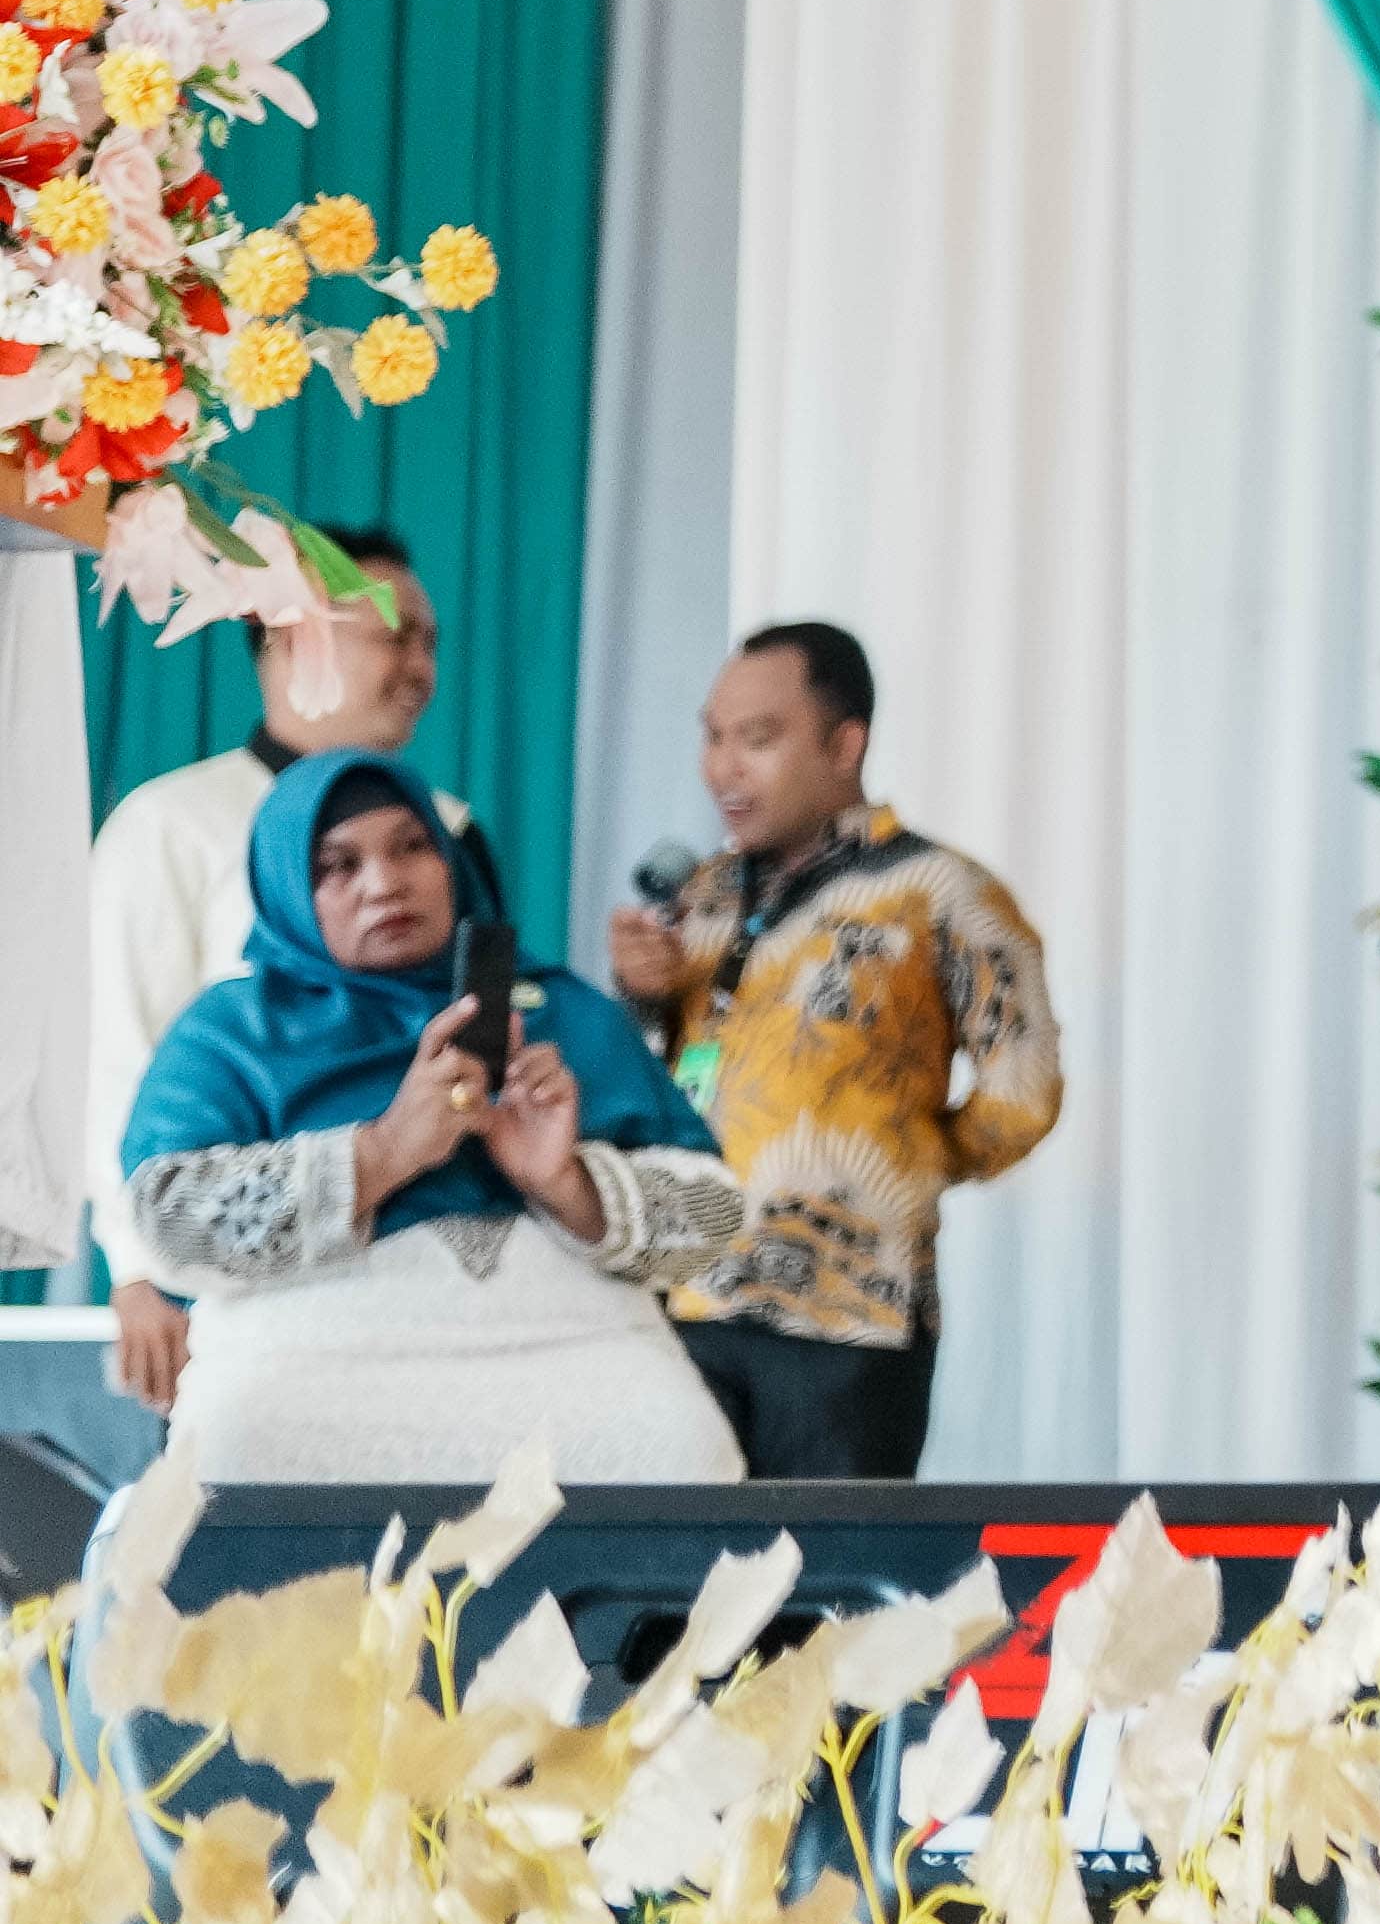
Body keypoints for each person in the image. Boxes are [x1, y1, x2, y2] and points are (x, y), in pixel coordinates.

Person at [109, 751, 753, 1482]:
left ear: (450, 861)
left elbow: (716, 1216)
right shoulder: (233, 1029)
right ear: (288, 886)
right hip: (310, 1368)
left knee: (683, 1449)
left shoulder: (563, 1012)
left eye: (412, 847)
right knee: (232, 1453)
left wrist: (569, 1184)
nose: (385, 883)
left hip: (571, 1351)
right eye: (337, 866)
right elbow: (164, 1218)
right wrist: (381, 1153)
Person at [597, 616, 1067, 1476]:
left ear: (844, 744)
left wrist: (905, 1159)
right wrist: (641, 998)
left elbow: (1024, 1089)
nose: (723, 768)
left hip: (846, 1318)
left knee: (830, 1600)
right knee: (681, 1594)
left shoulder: (940, 891)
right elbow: (655, 1084)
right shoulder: (702, 896)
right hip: (684, 1300)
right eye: (713, 737)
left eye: (759, 738)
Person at [64, 524, 435, 1310]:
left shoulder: (451, 833)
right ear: (292, 633)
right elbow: (117, 1050)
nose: (419, 670)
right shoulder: (171, 824)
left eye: (430, 644)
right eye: (394, 638)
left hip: (421, 1271)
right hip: (231, 1270)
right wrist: (137, 1269)